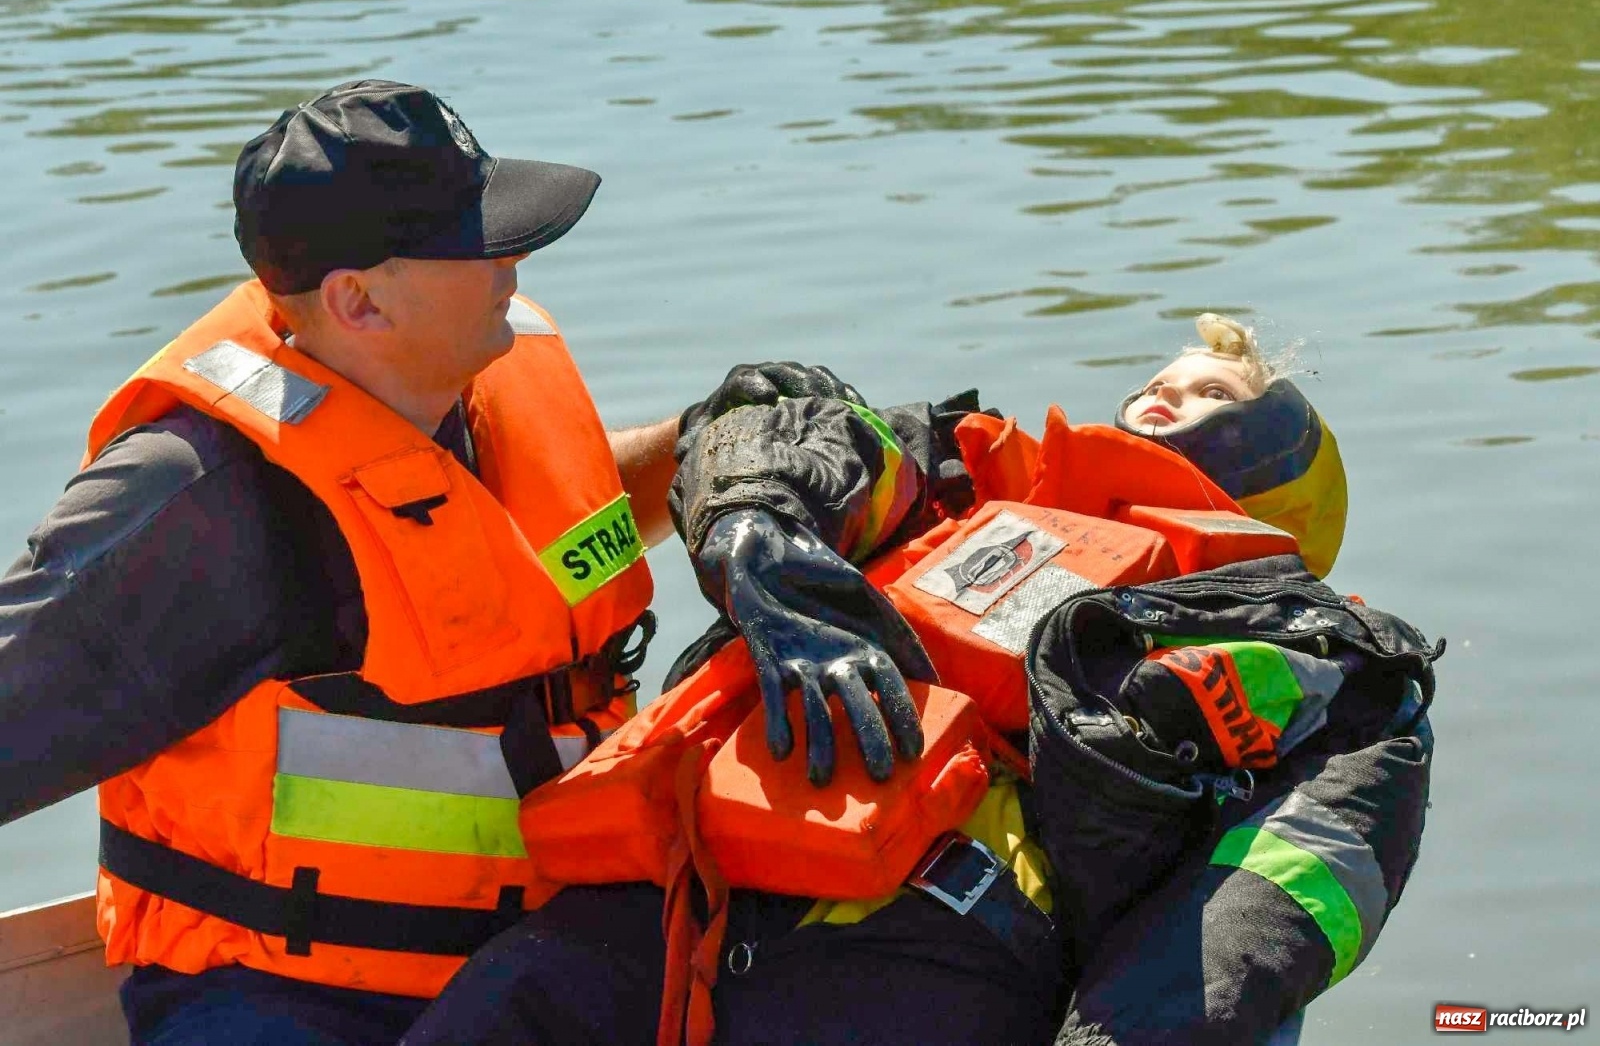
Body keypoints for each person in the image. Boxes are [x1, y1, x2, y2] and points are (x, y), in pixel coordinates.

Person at [0, 79, 899, 1046]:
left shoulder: (455, 385)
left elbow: (541, 550)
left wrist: (713, 459)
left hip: (532, 955)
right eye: (475, 241)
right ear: (359, 301)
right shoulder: (201, 503)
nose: (512, 260)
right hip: (285, 1000)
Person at [398, 314, 1439, 1045]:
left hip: (938, 951)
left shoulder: (1336, 666)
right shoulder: (955, 481)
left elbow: (1252, 927)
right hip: (665, 901)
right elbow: (782, 407)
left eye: (1215, 391)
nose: (1170, 388)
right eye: (1165, 375)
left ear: (1292, 490)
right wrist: (750, 520)